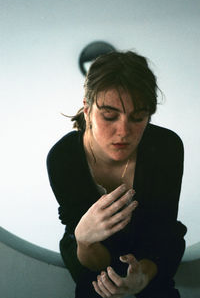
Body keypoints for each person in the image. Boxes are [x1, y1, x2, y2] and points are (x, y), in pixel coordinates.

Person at [46, 51, 187, 298]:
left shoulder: (166, 147)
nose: (123, 131)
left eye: (138, 117)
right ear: (87, 111)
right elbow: (93, 263)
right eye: (110, 116)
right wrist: (84, 239)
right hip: (90, 264)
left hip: (155, 256)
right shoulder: (63, 157)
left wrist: (141, 277)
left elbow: (162, 236)